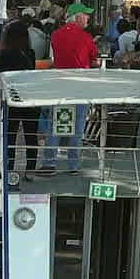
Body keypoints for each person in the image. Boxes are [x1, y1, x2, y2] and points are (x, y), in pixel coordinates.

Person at [39, 9, 97, 175]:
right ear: (77, 17)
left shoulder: (56, 35)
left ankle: (49, 162)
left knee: (56, 123)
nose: (88, 18)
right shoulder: (87, 37)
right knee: (78, 125)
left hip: (60, 85)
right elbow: (94, 60)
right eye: (86, 15)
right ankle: (73, 164)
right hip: (81, 86)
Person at [0, 20, 41, 175]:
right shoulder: (30, 53)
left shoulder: (5, 54)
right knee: (31, 135)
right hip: (30, 98)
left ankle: (8, 170)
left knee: (10, 136)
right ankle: (30, 169)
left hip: (12, 99)